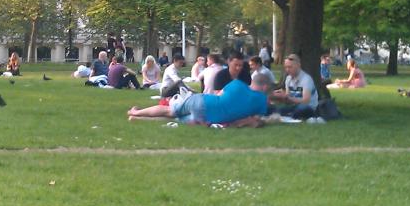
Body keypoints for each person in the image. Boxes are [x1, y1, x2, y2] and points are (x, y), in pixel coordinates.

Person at [127, 74, 272, 126]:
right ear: (265, 87)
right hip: (209, 118)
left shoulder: (237, 85)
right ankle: (138, 119)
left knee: (170, 110)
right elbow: (256, 120)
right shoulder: (262, 101)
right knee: (176, 119)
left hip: (203, 101)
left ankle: (136, 113)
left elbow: (220, 94)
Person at [271, 54, 318, 119]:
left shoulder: (306, 79)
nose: (287, 70)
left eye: (290, 67)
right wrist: (280, 96)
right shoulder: (288, 79)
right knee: (276, 109)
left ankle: (290, 116)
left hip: (308, 107)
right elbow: (288, 99)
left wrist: (288, 98)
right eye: (286, 67)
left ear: (298, 65)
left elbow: (306, 101)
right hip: (294, 106)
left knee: (301, 109)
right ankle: (289, 115)